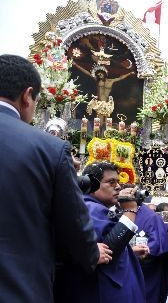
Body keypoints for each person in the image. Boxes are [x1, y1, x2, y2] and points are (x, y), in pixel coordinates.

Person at [0, 54, 105, 302]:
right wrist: (91, 253)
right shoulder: (50, 149)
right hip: (20, 289)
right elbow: (74, 224)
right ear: (27, 96)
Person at [55, 161, 146, 302]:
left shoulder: (93, 207)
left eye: (118, 182)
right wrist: (130, 211)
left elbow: (100, 248)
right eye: (111, 182)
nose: (118, 187)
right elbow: (109, 249)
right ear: (92, 184)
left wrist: (130, 252)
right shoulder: (90, 208)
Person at [129, 184, 168, 303]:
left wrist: (134, 253)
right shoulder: (122, 212)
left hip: (146, 277)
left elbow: (157, 246)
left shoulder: (151, 217)